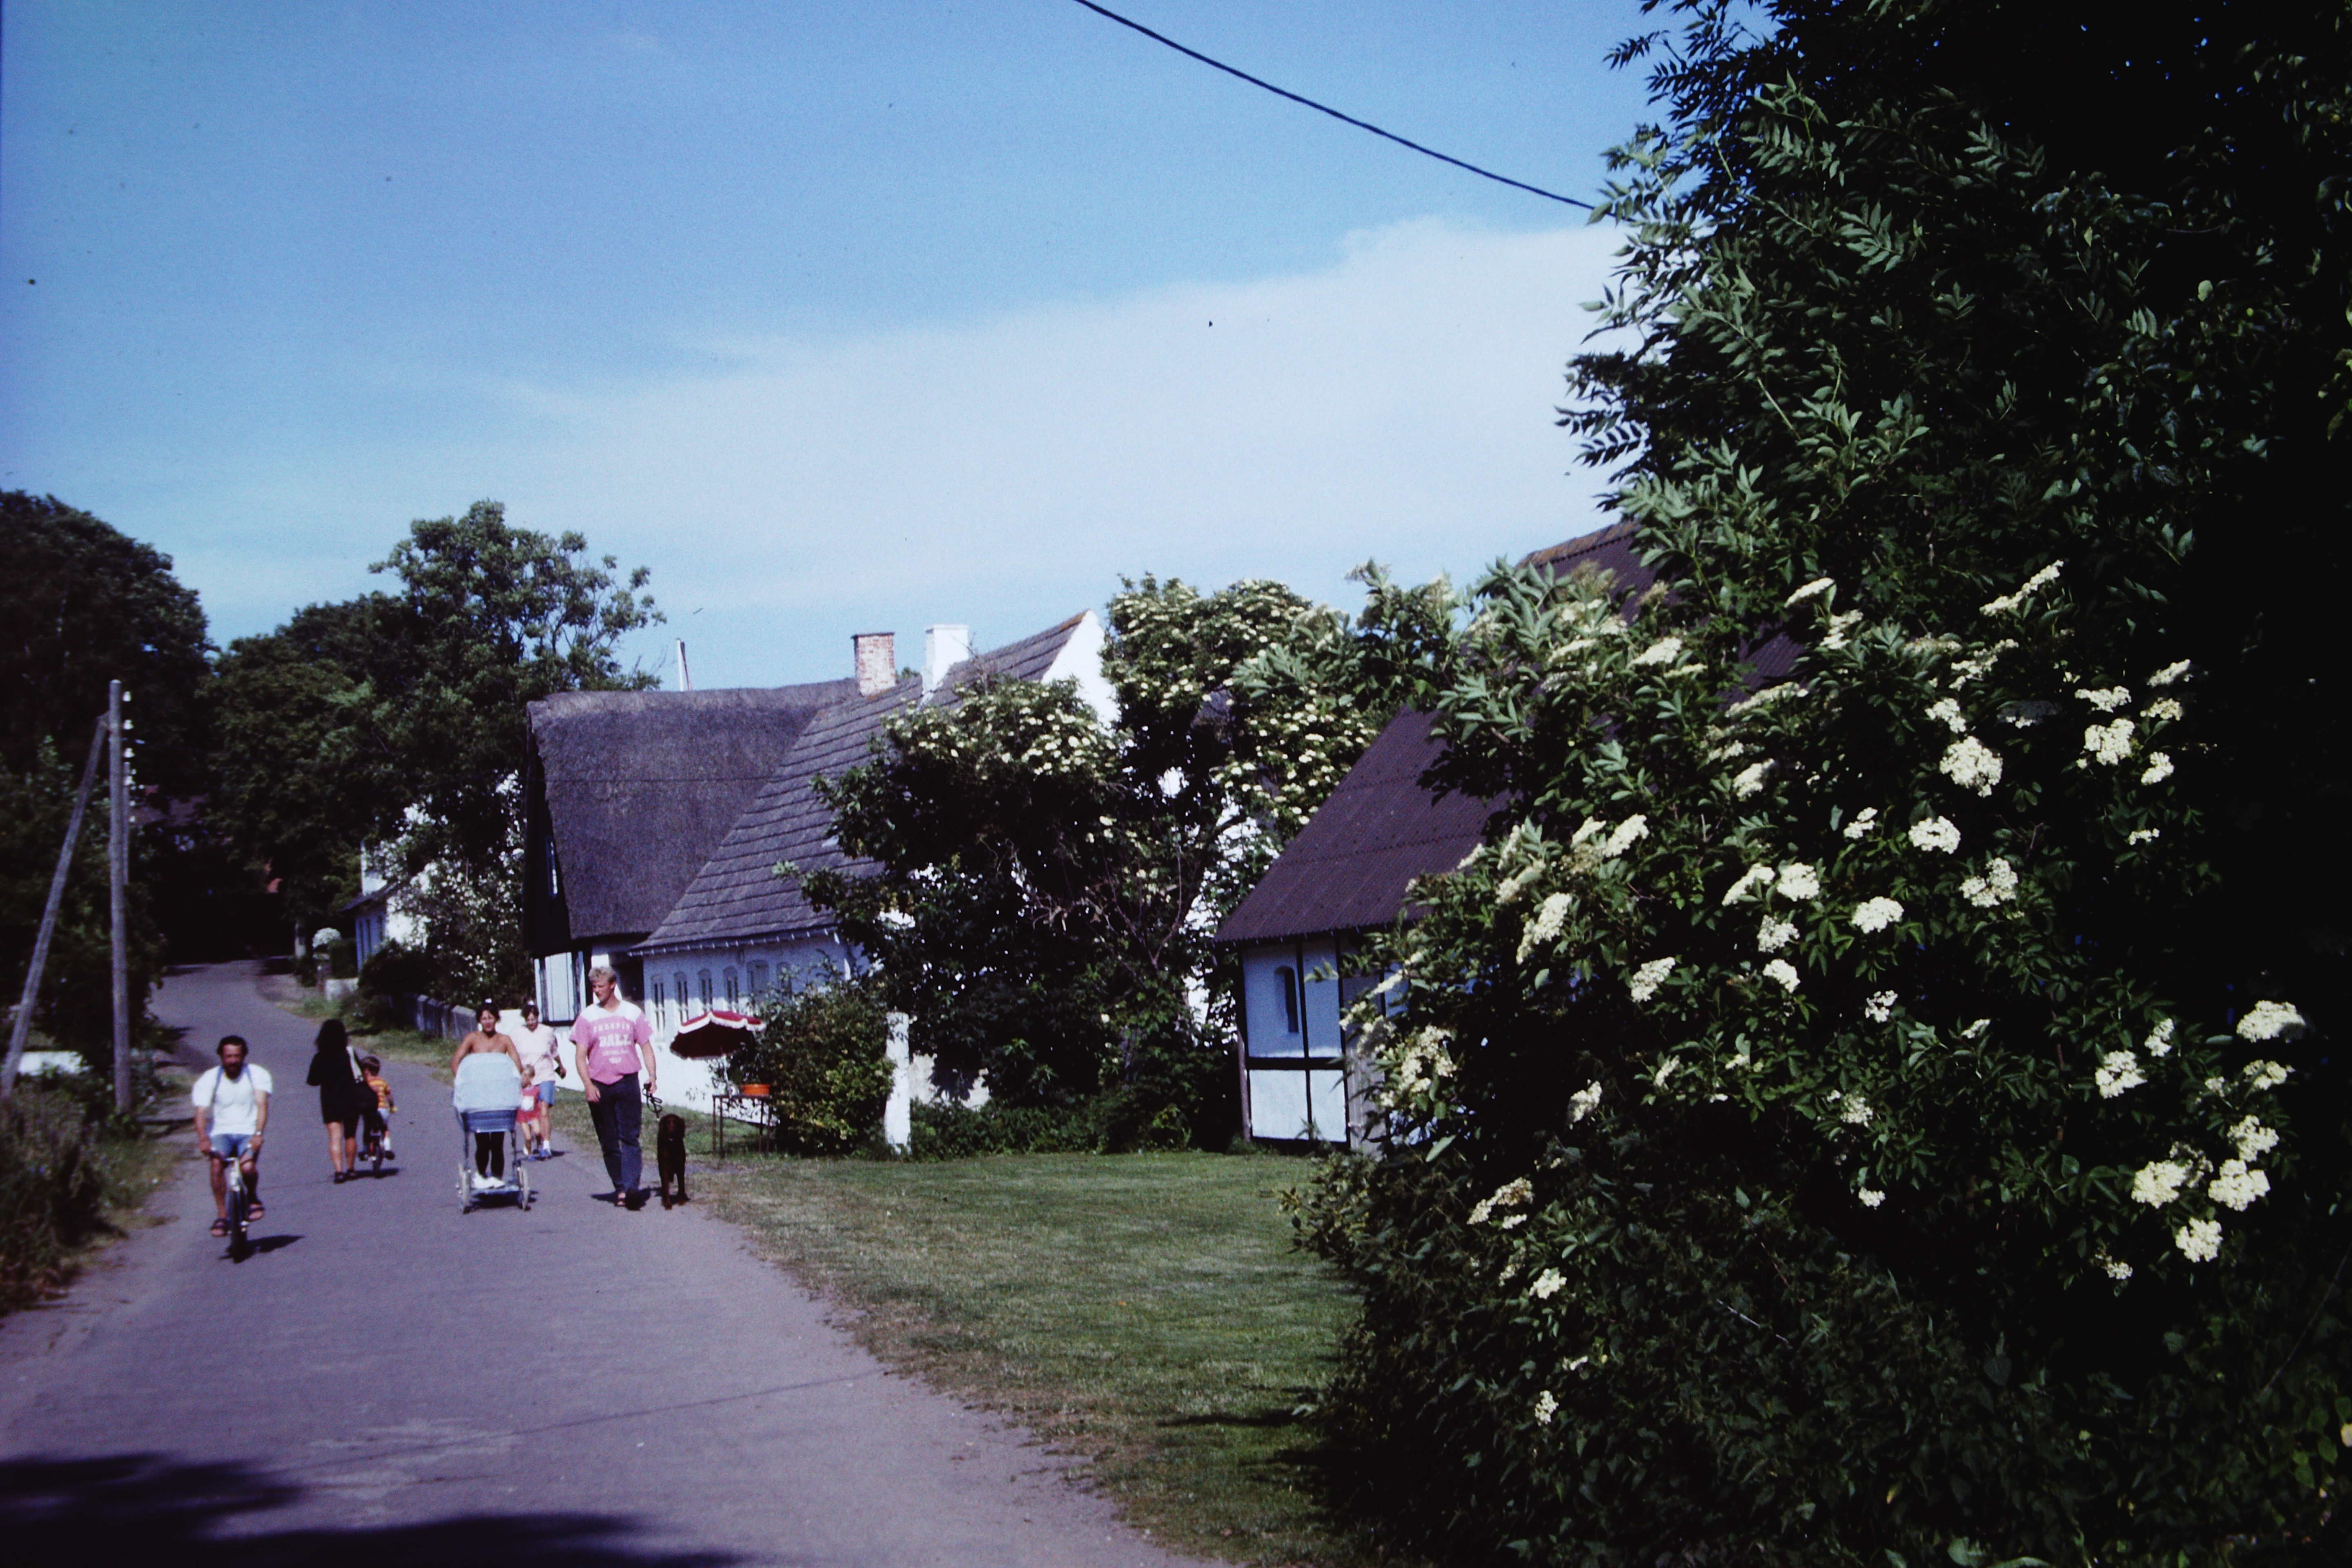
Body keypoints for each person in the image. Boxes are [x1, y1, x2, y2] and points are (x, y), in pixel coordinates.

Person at [570, 966, 657, 1207]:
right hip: (600, 1086)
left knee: (630, 1137)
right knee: (608, 1140)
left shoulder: (632, 1013)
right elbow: (580, 1056)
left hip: (627, 1082)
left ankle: (631, 1189)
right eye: (593, 987)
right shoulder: (588, 1017)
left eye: (600, 986)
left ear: (612, 985)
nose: (596, 991)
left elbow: (646, 1046)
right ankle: (619, 1186)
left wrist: (653, 1075)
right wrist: (588, 1085)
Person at [192, 1035, 271, 1236]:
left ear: (244, 1055)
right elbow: (201, 1112)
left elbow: (262, 1106)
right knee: (217, 1165)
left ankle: (253, 1197)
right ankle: (222, 1215)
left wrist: (258, 1134)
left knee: (248, 1167)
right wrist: (203, 1138)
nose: (233, 1061)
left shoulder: (256, 1074)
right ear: (221, 1057)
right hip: (222, 1132)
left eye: (237, 1056)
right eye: (229, 1057)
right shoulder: (210, 1078)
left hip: (248, 1131)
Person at [451, 1002, 524, 1189]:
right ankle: (482, 1175)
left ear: (496, 1019)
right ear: (479, 1020)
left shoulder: (505, 1040)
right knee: (482, 1141)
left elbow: (517, 1063)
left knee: (498, 1141)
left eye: (491, 1018)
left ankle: (498, 1178)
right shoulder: (473, 1039)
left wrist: (519, 1080)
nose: (488, 1022)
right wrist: (462, 1082)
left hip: (499, 1097)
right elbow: (456, 1061)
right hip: (479, 1097)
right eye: (484, 1018)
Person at [306, 1018, 371, 1184]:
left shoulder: (320, 1057)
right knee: (351, 1135)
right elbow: (360, 1073)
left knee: (335, 1136)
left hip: (330, 1099)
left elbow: (313, 1081)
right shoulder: (348, 1053)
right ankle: (351, 1169)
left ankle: (339, 1172)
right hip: (351, 1097)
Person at [512, 1000, 564, 1160]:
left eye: (534, 1019)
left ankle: (547, 1145)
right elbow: (512, 1054)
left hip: (545, 1075)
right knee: (529, 1111)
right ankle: (536, 1139)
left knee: (544, 1110)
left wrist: (561, 1066)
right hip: (528, 1078)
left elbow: (554, 1051)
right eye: (528, 1020)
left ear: (538, 1018)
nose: (531, 1023)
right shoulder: (517, 1034)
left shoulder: (547, 1032)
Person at [359, 1054, 395, 1161]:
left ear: (366, 1071)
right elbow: (389, 1096)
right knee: (384, 1128)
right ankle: (388, 1149)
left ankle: (365, 1150)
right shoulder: (382, 1081)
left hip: (370, 1110)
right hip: (383, 1109)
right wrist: (392, 1106)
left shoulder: (365, 1083)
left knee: (367, 1129)